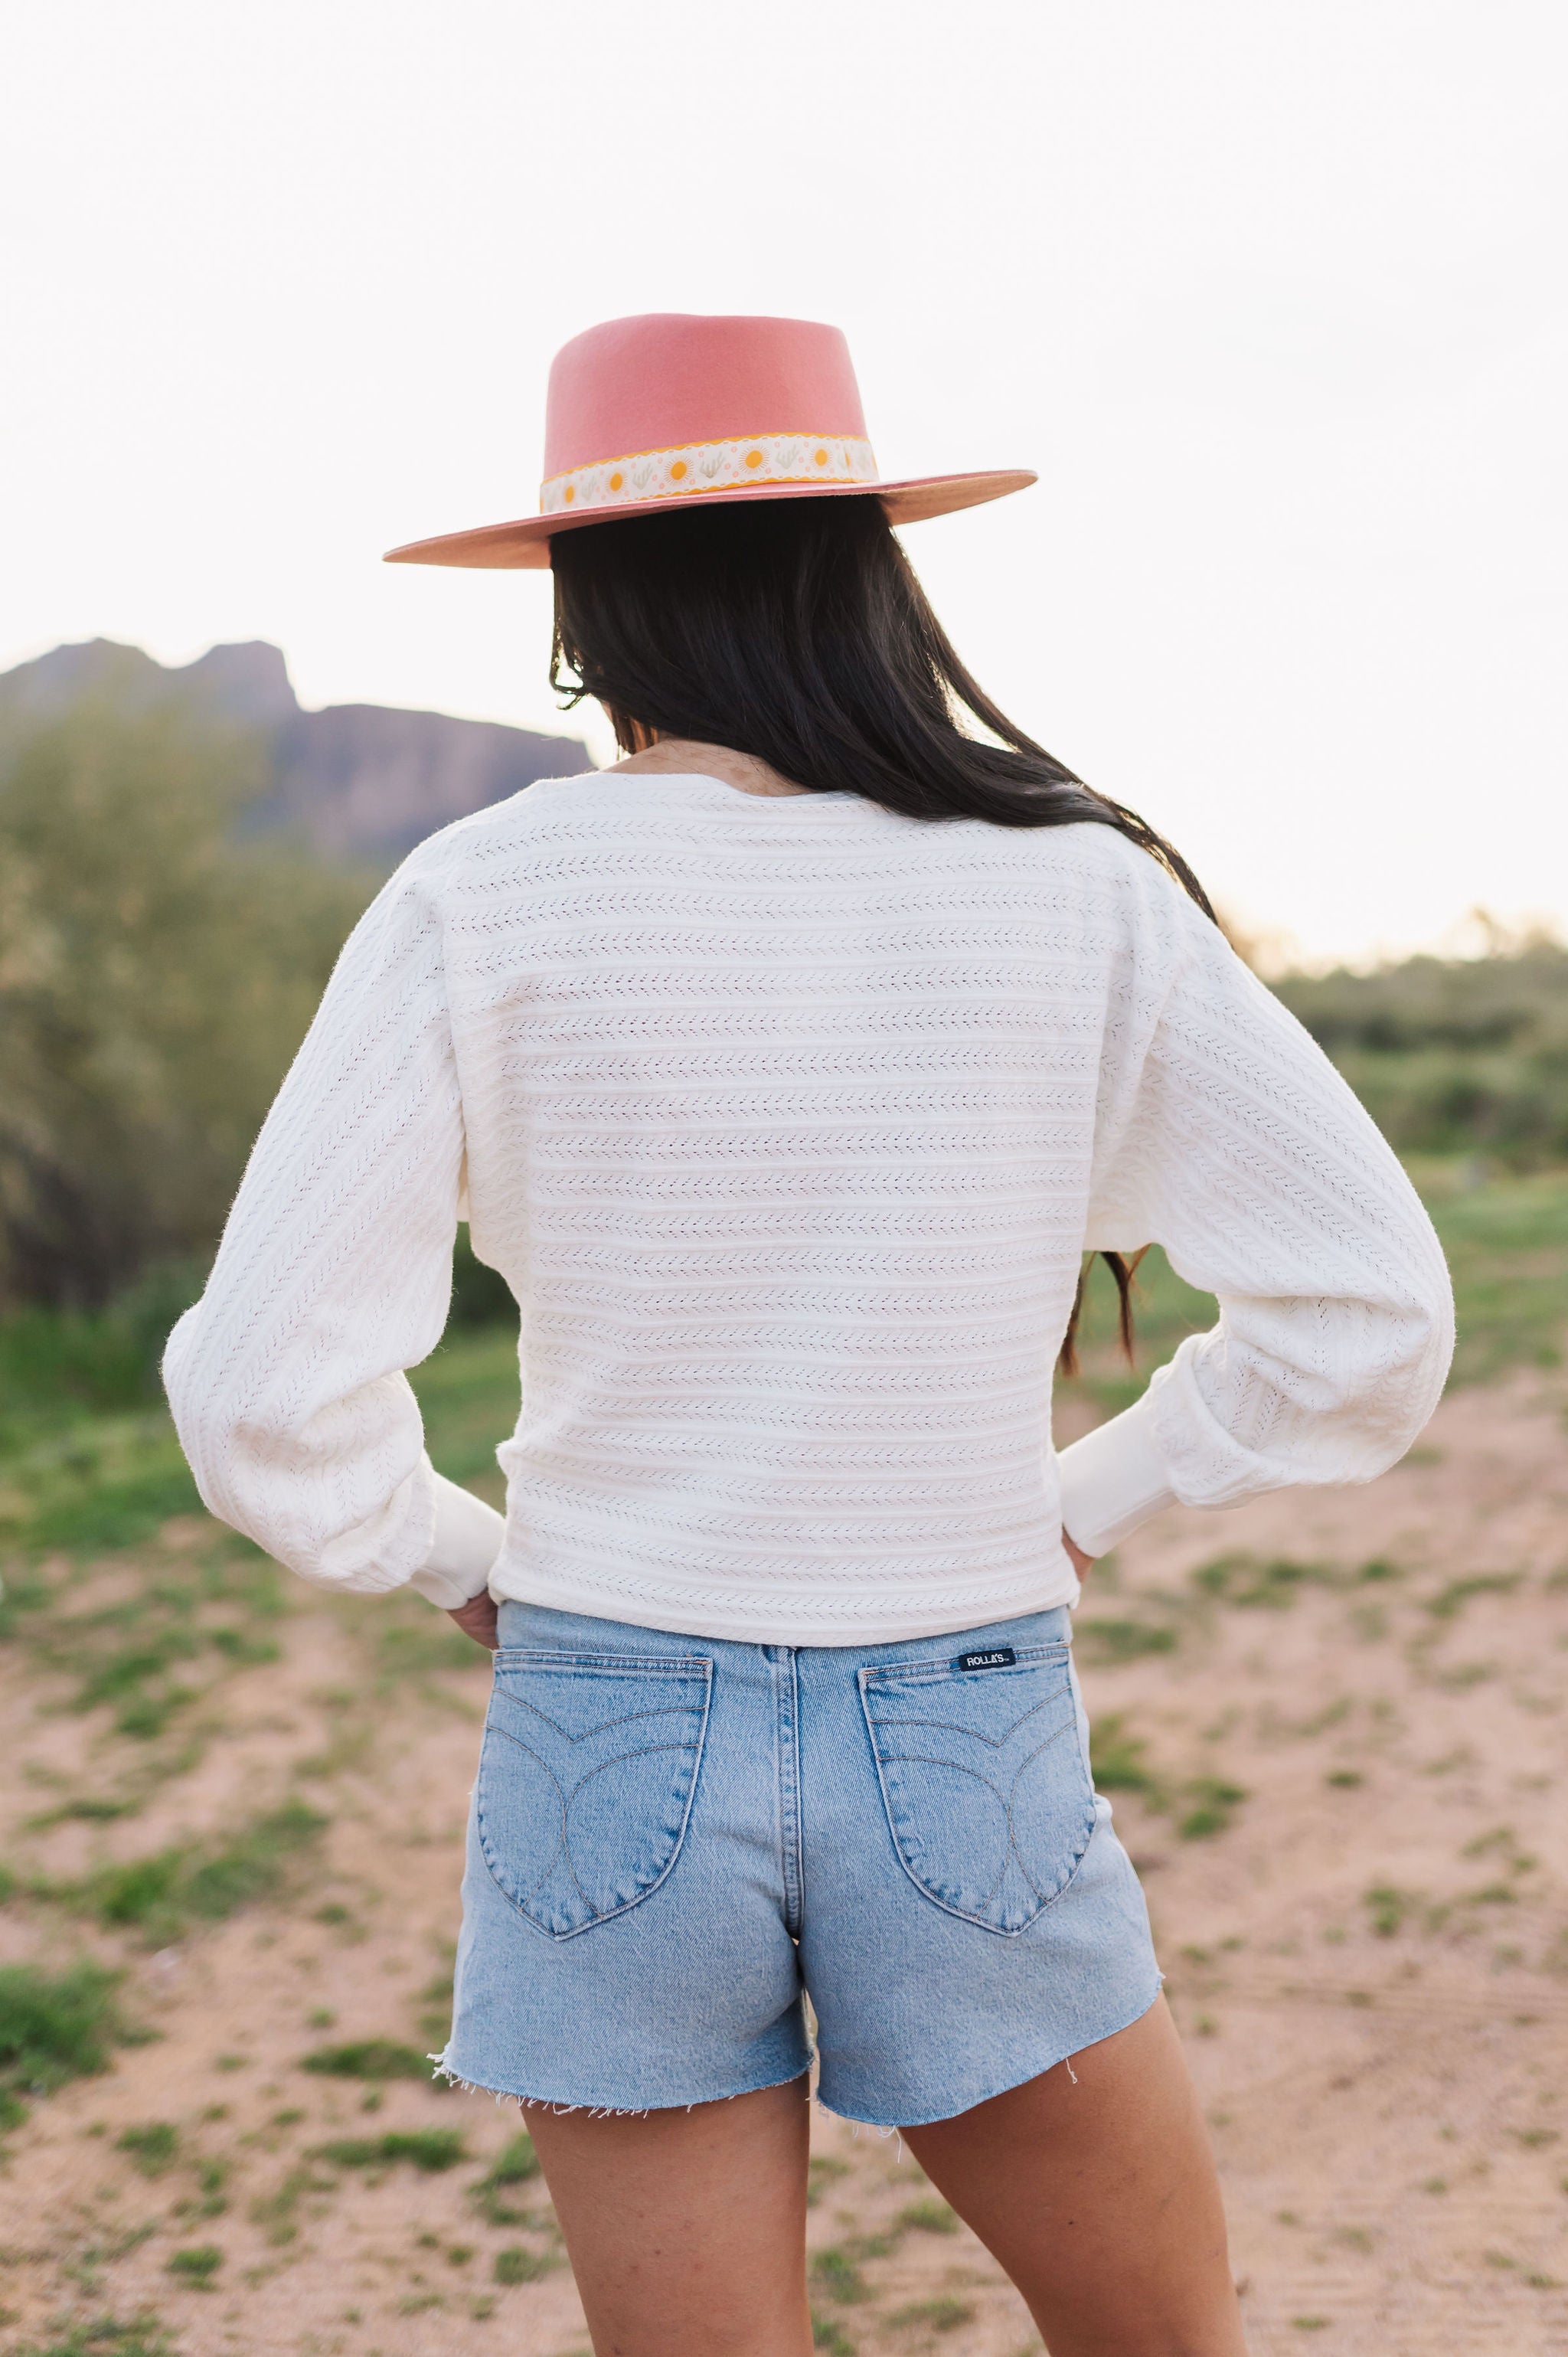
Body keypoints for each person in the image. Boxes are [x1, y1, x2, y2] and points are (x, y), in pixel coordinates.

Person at [165, 312, 1453, 2356]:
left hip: (604, 1703)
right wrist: (1091, 1500)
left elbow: (258, 1398)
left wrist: (464, 1567)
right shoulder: (1071, 888)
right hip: (959, 1700)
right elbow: (1371, 1313)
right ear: (866, 569)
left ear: (580, 616)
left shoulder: (475, 898)